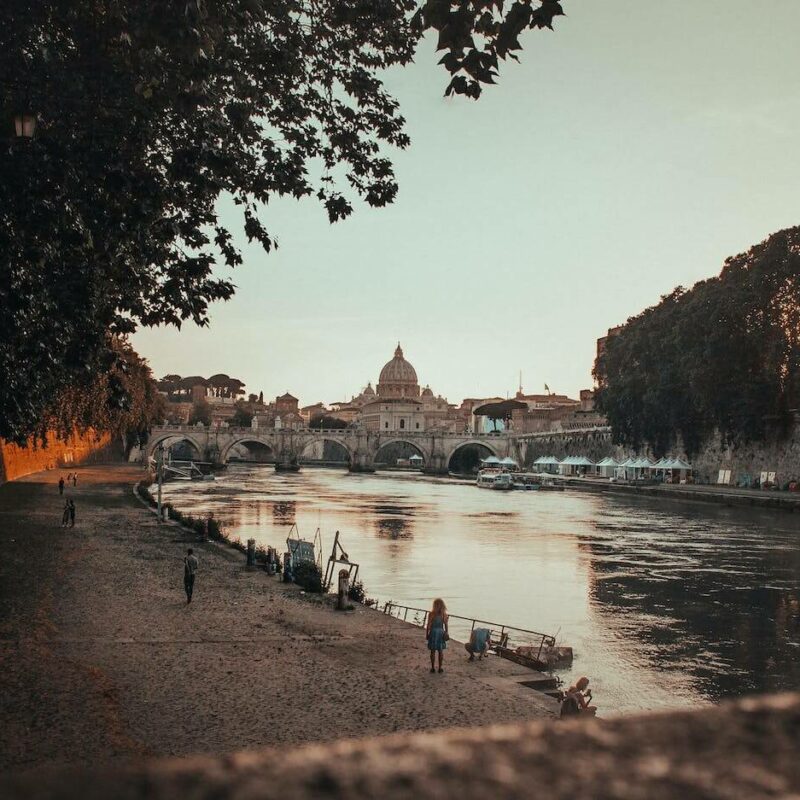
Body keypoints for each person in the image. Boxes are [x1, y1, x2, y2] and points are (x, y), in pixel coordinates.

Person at [425, 598, 449, 674]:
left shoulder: (431, 614)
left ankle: (432, 668)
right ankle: (440, 668)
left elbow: (428, 625)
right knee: (440, 651)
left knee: (432, 651)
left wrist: (427, 634)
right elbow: (446, 625)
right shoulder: (444, 614)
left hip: (433, 632)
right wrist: (446, 632)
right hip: (441, 632)